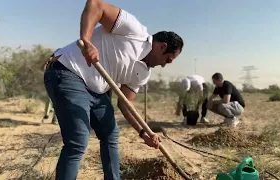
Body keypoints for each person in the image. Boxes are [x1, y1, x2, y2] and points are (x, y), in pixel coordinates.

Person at [43, 0, 184, 179]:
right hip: (68, 72)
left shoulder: (143, 73)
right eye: (168, 59)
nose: (166, 65)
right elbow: (95, 5)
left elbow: (126, 104)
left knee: (110, 134)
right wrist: (87, 41)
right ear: (162, 46)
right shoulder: (135, 31)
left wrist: (143, 133)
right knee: (78, 140)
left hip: (97, 90)